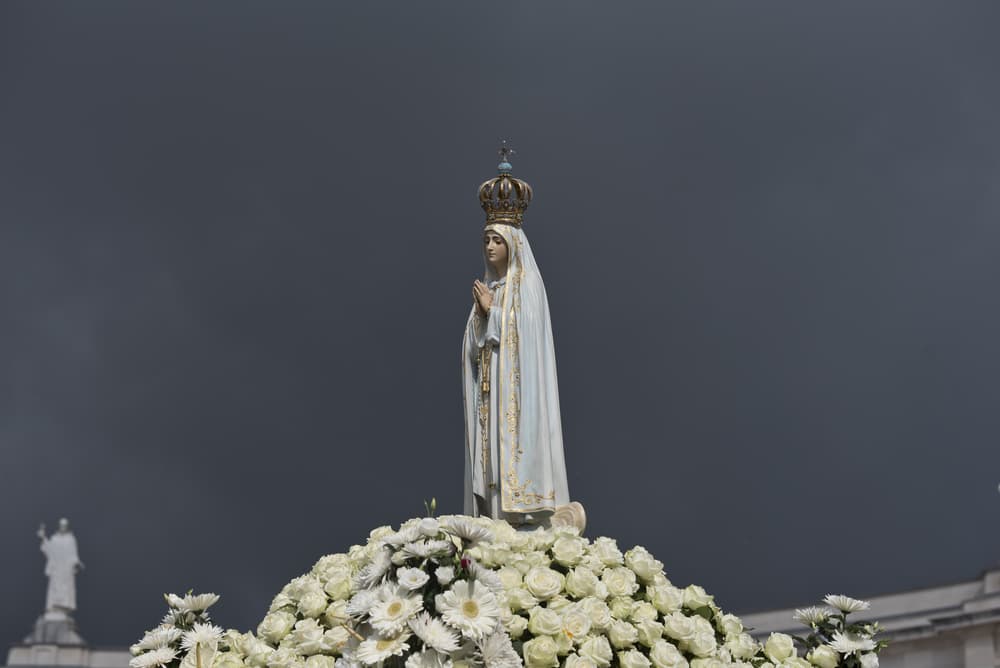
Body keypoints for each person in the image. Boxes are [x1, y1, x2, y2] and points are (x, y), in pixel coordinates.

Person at [462, 170, 570, 524]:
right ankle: (494, 516)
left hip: (519, 392)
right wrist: (482, 319)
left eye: (497, 240)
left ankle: (524, 515)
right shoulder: (491, 287)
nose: (490, 246)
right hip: (492, 389)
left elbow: (528, 334)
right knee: (492, 455)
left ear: (513, 244)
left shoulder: (528, 285)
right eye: (486, 240)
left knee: (513, 447)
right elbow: (472, 346)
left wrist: (492, 313)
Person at [37, 518, 83, 613]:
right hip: (56, 569)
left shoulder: (71, 539)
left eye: (65, 526)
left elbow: (73, 554)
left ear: (67, 527)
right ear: (59, 526)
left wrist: (76, 563)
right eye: (61, 525)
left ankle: (64, 606)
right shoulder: (55, 539)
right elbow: (49, 550)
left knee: (66, 588)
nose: (63, 527)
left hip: (66, 569)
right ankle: (54, 606)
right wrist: (43, 538)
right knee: (55, 587)